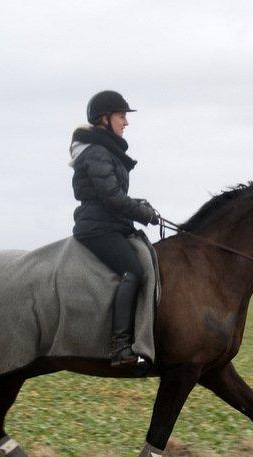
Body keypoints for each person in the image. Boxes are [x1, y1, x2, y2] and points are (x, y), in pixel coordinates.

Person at [69, 90, 160, 366]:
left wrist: (139, 206)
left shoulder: (104, 150)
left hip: (109, 224)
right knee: (132, 270)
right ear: (104, 119)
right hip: (97, 228)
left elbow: (113, 196)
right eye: (122, 116)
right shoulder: (97, 152)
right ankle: (120, 347)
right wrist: (142, 212)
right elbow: (111, 197)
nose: (126, 122)